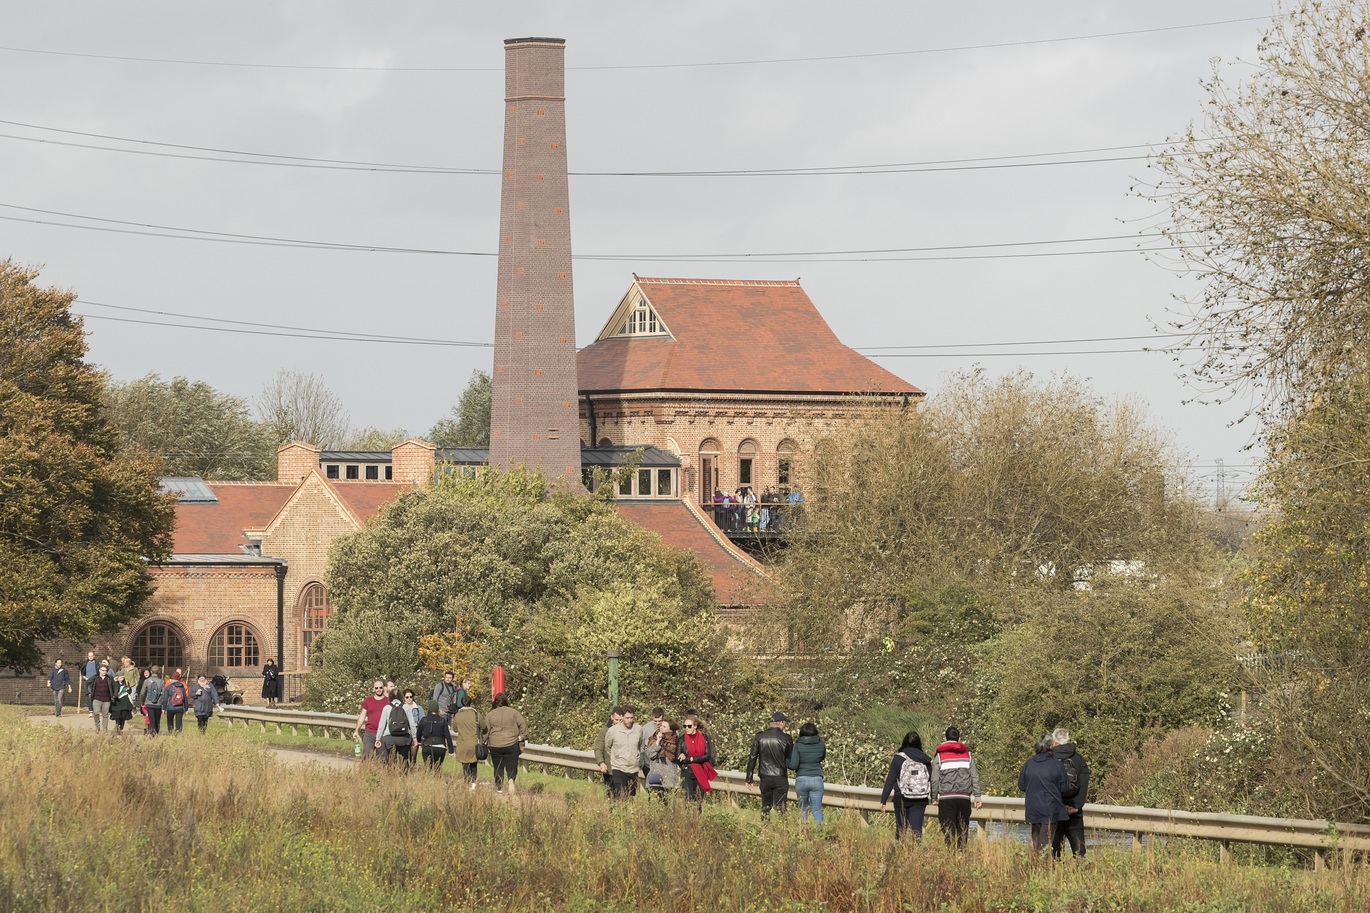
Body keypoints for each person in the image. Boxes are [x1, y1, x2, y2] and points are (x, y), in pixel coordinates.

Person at [931, 725, 983, 849]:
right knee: (963, 829)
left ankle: (951, 854)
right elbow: (974, 776)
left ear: (945, 738)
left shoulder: (940, 757)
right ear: (959, 738)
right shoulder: (967, 756)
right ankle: (961, 854)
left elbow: (934, 779)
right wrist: (977, 797)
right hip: (964, 797)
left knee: (948, 829)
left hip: (946, 798)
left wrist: (934, 797)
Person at [1018, 734, 1071, 854]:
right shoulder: (1056, 764)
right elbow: (1065, 787)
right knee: (1045, 844)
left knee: (1037, 840)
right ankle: (1041, 867)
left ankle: (1036, 866)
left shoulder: (1028, 764)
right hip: (1051, 808)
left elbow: (1021, 785)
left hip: (1033, 806)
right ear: (1050, 747)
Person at [880, 731, 934, 839]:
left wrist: (883, 799)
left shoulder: (898, 758)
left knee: (901, 828)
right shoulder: (925, 759)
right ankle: (915, 853)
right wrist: (934, 797)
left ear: (904, 742)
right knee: (916, 830)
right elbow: (931, 779)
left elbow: (890, 780)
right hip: (920, 798)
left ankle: (901, 852)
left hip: (901, 797)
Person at [1051, 727, 1091, 859]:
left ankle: (1055, 873)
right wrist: (1076, 806)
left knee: (1054, 850)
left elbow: (1046, 785)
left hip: (1055, 809)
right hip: (1074, 810)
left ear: (1054, 742)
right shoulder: (1079, 759)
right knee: (1079, 849)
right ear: (1068, 740)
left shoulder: (1048, 759)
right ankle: (1081, 873)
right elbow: (1083, 784)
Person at [745, 711, 793, 818]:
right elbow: (790, 759)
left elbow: (752, 758)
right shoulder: (786, 738)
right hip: (780, 777)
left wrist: (749, 778)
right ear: (780, 723)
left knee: (765, 807)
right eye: (784, 723)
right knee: (782, 809)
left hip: (765, 776)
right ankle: (782, 831)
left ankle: (765, 829)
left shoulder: (760, 737)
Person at [485, 693, 527, 794]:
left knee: (498, 767)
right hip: (511, 743)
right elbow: (523, 723)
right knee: (512, 765)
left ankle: (499, 789)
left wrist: (483, 741)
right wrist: (522, 736)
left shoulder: (490, 714)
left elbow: (486, 730)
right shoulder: (514, 712)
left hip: (495, 744)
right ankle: (511, 781)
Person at [788, 721, 827, 826]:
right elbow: (822, 757)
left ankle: (803, 833)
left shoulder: (798, 745)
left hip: (802, 778)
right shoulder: (821, 744)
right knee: (817, 809)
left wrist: (785, 761)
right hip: (817, 779)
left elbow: (793, 765)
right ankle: (819, 832)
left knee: (802, 809)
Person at [602, 705, 642, 799]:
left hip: (633, 768)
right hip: (618, 768)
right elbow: (607, 747)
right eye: (627, 718)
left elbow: (640, 745)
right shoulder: (613, 731)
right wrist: (616, 756)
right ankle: (618, 812)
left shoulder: (638, 729)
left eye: (631, 718)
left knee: (630, 796)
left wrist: (635, 756)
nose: (629, 720)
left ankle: (628, 813)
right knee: (620, 795)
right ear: (622, 717)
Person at [676, 714, 717, 805]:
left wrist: (690, 758)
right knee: (688, 798)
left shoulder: (704, 737)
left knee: (698, 800)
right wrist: (683, 758)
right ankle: (687, 818)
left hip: (701, 771)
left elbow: (707, 756)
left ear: (695, 726)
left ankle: (697, 817)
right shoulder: (682, 739)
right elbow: (678, 758)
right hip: (687, 771)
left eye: (689, 726)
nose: (687, 728)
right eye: (685, 726)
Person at [644, 717, 681, 802]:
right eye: (661, 726)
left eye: (664, 726)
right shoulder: (654, 738)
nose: (661, 728)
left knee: (667, 803)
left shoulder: (676, 741)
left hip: (669, 777)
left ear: (670, 730)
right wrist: (657, 742)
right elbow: (650, 754)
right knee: (653, 803)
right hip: (655, 775)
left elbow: (677, 756)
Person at [376, 693, 417, 766]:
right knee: (404, 761)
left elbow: (381, 725)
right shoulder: (406, 707)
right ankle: (404, 774)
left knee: (391, 760)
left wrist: (378, 739)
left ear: (390, 698)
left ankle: (391, 774)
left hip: (389, 737)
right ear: (401, 697)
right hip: (403, 738)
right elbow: (412, 724)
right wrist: (414, 737)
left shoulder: (386, 707)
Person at [353, 680, 389, 761]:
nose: (378, 689)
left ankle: (381, 773)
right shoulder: (368, 701)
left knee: (382, 759)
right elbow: (362, 715)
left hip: (383, 734)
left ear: (383, 688)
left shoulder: (388, 701)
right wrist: (356, 730)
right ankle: (364, 772)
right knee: (366, 756)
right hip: (369, 733)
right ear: (373, 689)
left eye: (380, 687)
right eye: (376, 688)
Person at [451, 693, 481, 789]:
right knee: (474, 764)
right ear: (470, 703)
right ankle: (473, 784)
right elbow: (484, 726)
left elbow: (455, 729)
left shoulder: (458, 715)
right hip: (473, 743)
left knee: (465, 764)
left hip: (462, 743)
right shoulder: (476, 714)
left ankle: (466, 782)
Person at [416, 700, 454, 773]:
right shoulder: (442, 720)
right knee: (437, 769)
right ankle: (437, 780)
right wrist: (451, 750)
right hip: (440, 747)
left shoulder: (424, 720)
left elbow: (418, 733)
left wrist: (419, 741)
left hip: (427, 746)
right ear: (437, 709)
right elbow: (448, 736)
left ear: (429, 709)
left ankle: (430, 782)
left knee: (428, 768)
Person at [593, 707, 623, 794]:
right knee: (611, 793)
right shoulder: (605, 731)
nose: (618, 722)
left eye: (621, 720)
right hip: (609, 769)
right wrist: (601, 763)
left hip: (624, 768)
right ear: (612, 717)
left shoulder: (628, 731)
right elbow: (598, 748)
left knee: (624, 794)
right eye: (617, 720)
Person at [88, 663, 115, 733]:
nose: (104, 672)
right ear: (99, 670)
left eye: (105, 670)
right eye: (102, 670)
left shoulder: (109, 678)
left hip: (106, 699)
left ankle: (105, 728)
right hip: (97, 698)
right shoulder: (95, 678)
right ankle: (97, 726)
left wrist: (115, 694)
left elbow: (115, 686)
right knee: (96, 712)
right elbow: (87, 683)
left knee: (105, 714)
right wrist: (88, 692)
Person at [161, 670, 189, 734]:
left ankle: (171, 733)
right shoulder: (182, 687)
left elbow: (165, 699)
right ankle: (177, 734)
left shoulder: (168, 688)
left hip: (170, 707)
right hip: (180, 707)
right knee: (179, 722)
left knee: (170, 721)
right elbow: (185, 698)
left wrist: (164, 708)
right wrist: (186, 708)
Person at [139, 665, 164, 736]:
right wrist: (163, 703)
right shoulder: (161, 681)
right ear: (158, 672)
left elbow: (142, 693)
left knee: (150, 719)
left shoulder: (147, 681)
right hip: (158, 704)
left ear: (151, 671)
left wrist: (142, 702)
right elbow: (164, 693)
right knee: (157, 719)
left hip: (149, 703)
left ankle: (151, 732)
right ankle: (156, 732)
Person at [82, 650, 99, 715]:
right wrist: (86, 678)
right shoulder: (85, 664)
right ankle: (90, 711)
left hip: (96, 681)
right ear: (88, 657)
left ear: (94, 656)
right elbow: (82, 673)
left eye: (92, 656)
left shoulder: (97, 664)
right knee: (89, 696)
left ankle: (96, 710)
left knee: (96, 696)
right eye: (89, 656)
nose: (90, 657)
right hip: (88, 682)